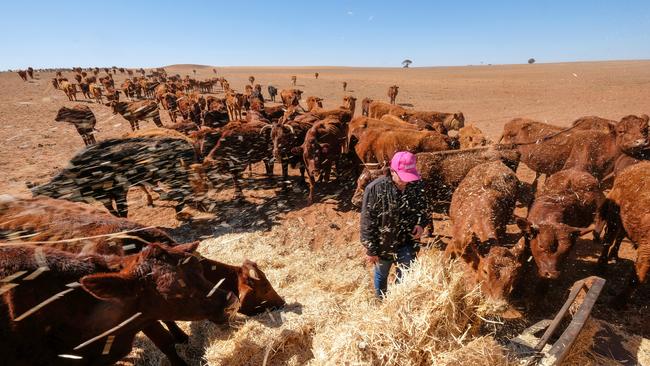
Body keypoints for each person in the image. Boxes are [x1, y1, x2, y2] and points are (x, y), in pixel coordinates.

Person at [360, 151, 431, 298]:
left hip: (408, 241)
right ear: (392, 171)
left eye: (409, 176)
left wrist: (421, 224)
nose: (406, 181)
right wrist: (371, 249)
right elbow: (367, 221)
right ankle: (381, 301)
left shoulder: (417, 186)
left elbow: (425, 208)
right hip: (383, 244)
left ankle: (398, 301)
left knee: (406, 274)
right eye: (403, 177)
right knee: (382, 274)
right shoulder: (375, 189)